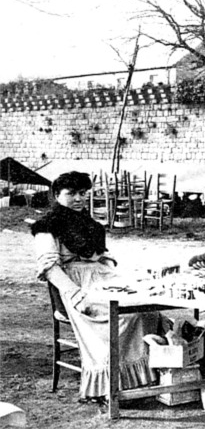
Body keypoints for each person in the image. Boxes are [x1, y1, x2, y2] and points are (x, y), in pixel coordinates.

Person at [31, 171, 161, 405]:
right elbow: (50, 268)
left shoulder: (89, 223)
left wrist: (111, 273)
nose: (78, 199)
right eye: (71, 194)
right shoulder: (46, 226)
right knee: (120, 316)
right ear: (56, 195)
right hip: (74, 285)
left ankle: (141, 381)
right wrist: (75, 294)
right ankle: (108, 387)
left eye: (82, 193)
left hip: (102, 279)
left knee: (146, 307)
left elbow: (104, 255)